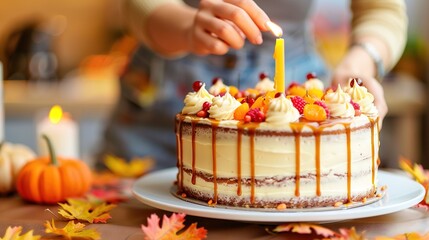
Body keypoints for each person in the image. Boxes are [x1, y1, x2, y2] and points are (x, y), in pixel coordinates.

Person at [96, 0, 407, 170]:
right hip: (162, 101)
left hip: (299, 83)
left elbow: (382, 8)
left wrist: (359, 64)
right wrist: (186, 26)